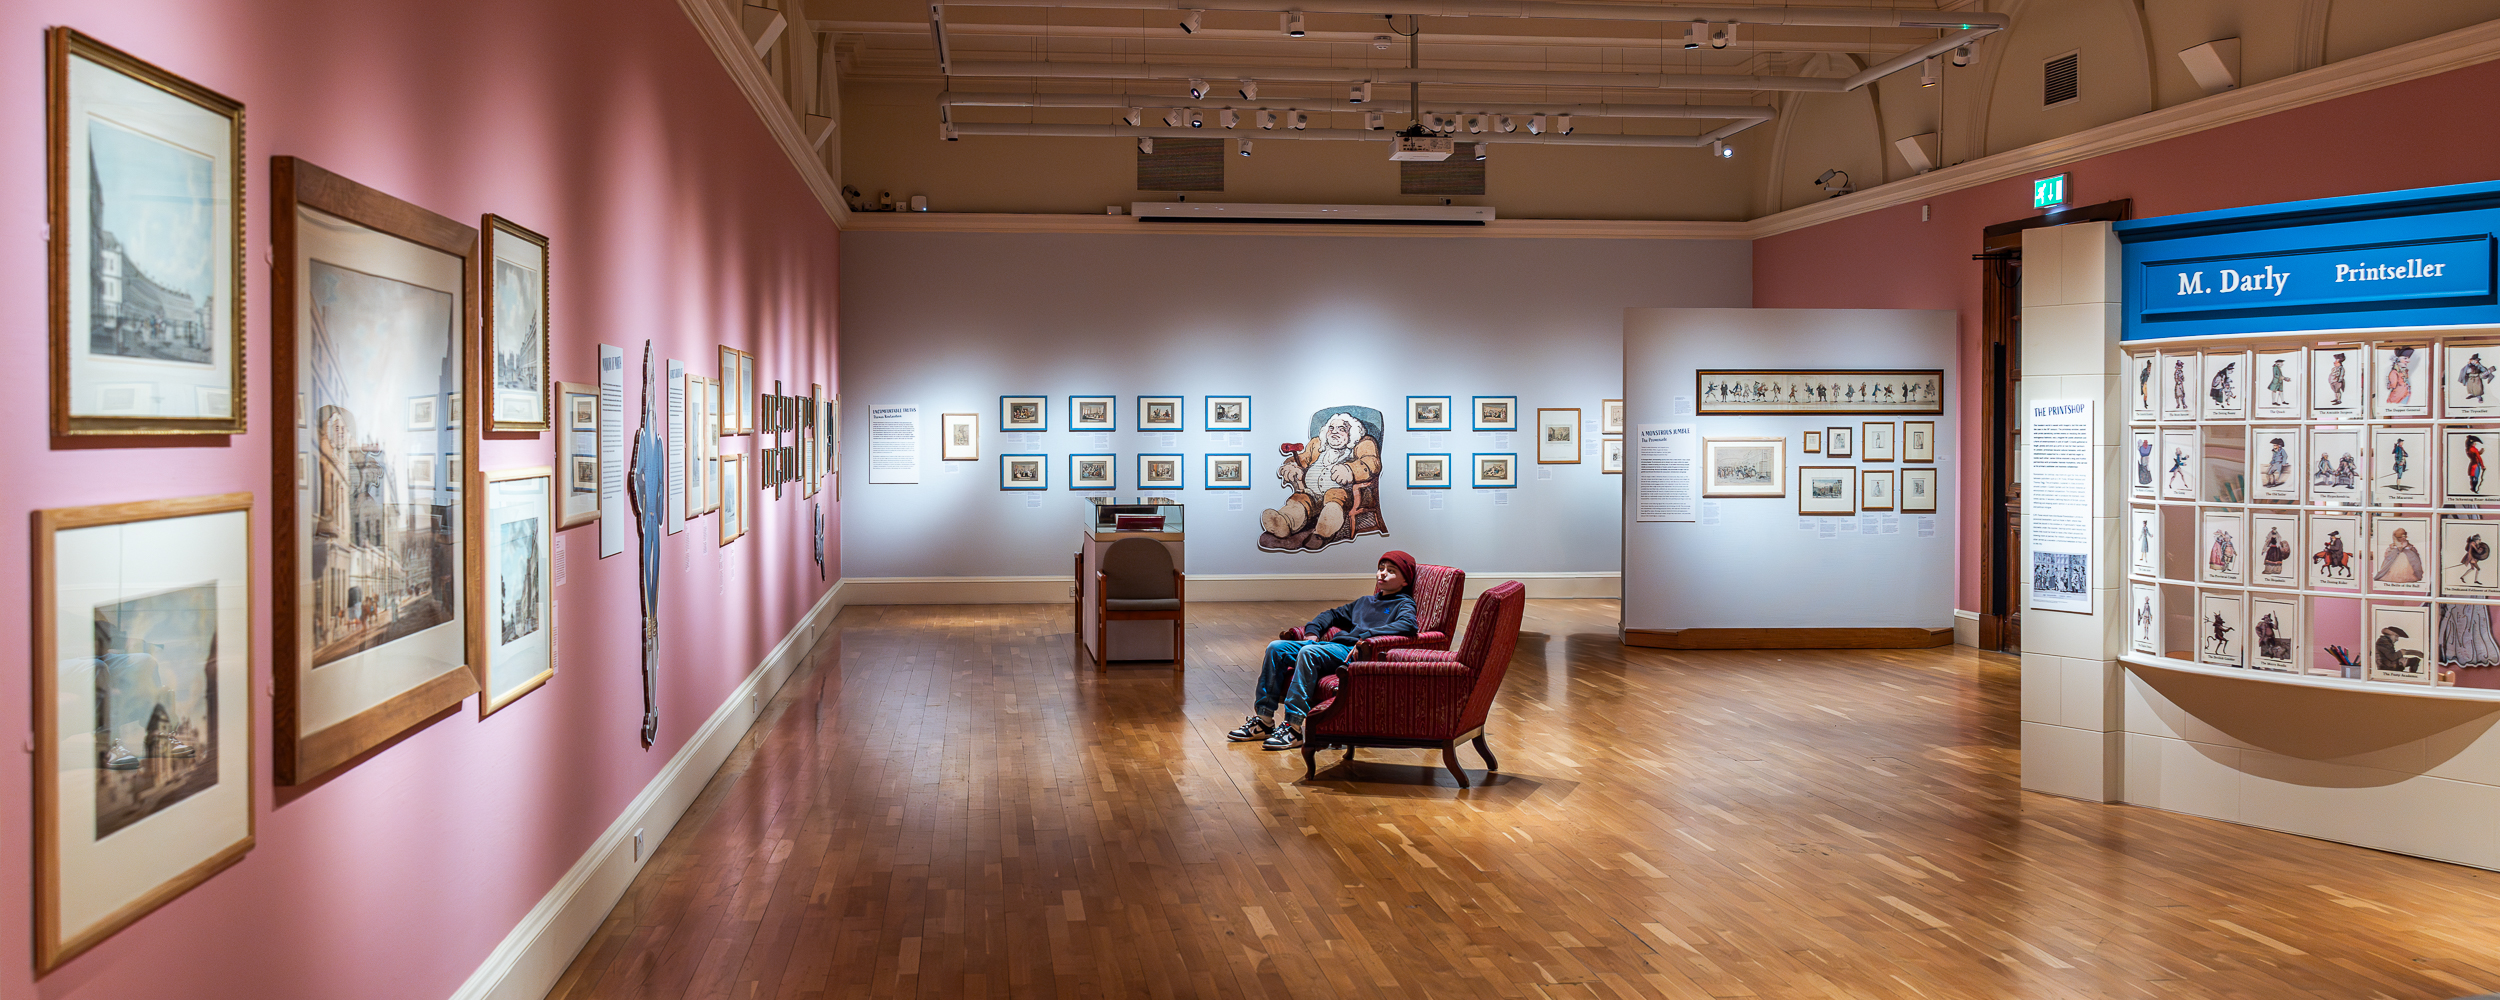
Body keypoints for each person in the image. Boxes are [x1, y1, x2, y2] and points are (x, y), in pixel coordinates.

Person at [1229, 551, 1421, 750]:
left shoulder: (1403, 604)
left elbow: (1408, 625)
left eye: (1391, 571)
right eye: (1381, 568)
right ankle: (1264, 721)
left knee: (1307, 653)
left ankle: (1293, 728)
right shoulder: (1365, 602)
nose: (1382, 574)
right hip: (1329, 646)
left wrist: (1367, 635)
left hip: (1349, 652)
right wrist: (1313, 632)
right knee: (1276, 648)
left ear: (1405, 581)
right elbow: (1331, 614)